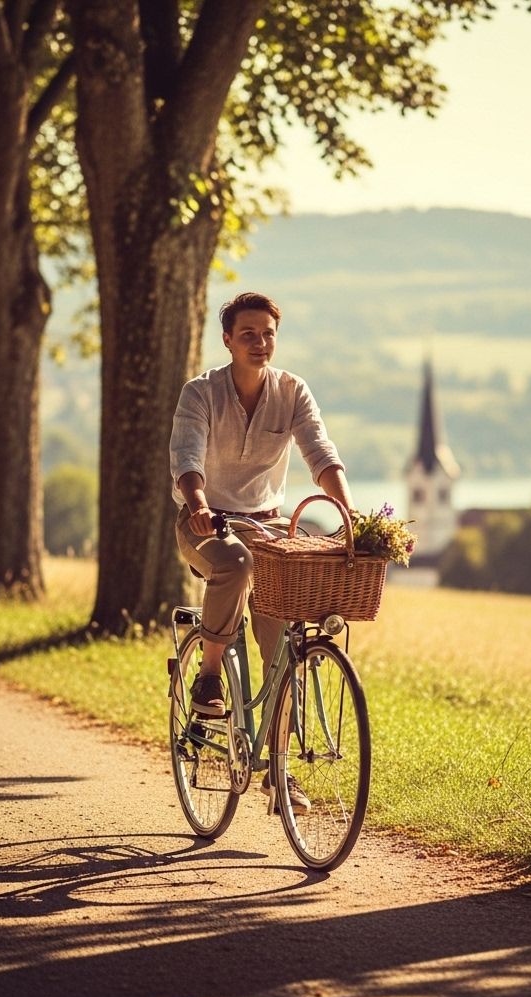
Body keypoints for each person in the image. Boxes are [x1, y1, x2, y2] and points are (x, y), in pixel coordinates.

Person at [169, 291, 354, 811]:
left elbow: (320, 452)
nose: (260, 342)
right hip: (204, 518)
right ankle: (208, 678)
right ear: (227, 340)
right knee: (234, 563)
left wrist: (350, 513)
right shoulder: (200, 393)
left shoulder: (292, 391)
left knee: (284, 641)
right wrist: (200, 505)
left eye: (268, 333)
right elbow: (186, 456)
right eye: (248, 334)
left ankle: (278, 770)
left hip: (266, 523)